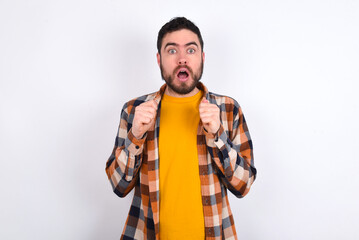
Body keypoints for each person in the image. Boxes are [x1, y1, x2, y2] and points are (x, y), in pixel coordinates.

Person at [105, 17, 257, 240]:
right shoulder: (134, 111)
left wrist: (218, 135)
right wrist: (135, 135)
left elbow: (243, 185)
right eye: (172, 51)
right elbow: (119, 186)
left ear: (202, 58)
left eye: (191, 50)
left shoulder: (228, 109)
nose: (183, 59)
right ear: (159, 59)